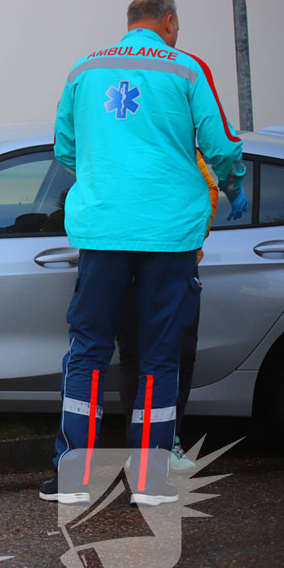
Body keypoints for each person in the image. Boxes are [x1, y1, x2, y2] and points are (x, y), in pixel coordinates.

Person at [40, 0, 247, 506]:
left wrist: (105, 174)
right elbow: (219, 145)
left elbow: (64, 148)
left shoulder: (83, 70)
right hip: (169, 234)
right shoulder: (185, 68)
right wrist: (234, 184)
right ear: (169, 22)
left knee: (87, 350)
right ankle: (151, 479)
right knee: (158, 355)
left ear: (129, 23)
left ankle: (76, 475)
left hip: (103, 230)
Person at [117, 153, 221, 474]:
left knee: (181, 357)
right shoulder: (121, 143)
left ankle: (168, 440)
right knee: (137, 360)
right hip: (130, 273)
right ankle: (140, 447)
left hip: (179, 267)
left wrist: (189, 238)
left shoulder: (182, 145)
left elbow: (210, 191)